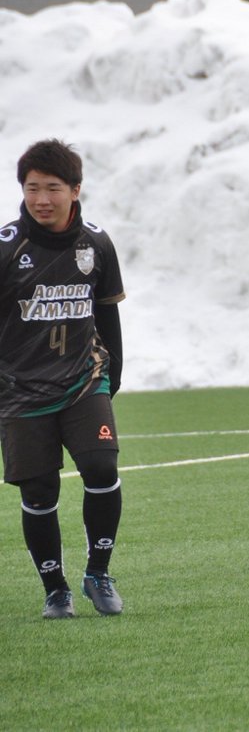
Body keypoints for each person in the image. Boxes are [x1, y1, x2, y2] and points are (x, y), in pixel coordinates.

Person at [1, 139, 126, 618]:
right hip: (18, 391)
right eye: (32, 189)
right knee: (39, 492)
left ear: (75, 190)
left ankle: (98, 572)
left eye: (52, 188)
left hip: (82, 381)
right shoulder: (7, 248)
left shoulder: (96, 243)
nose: (42, 199)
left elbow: (108, 315)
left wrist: (111, 378)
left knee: (101, 468)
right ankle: (56, 589)